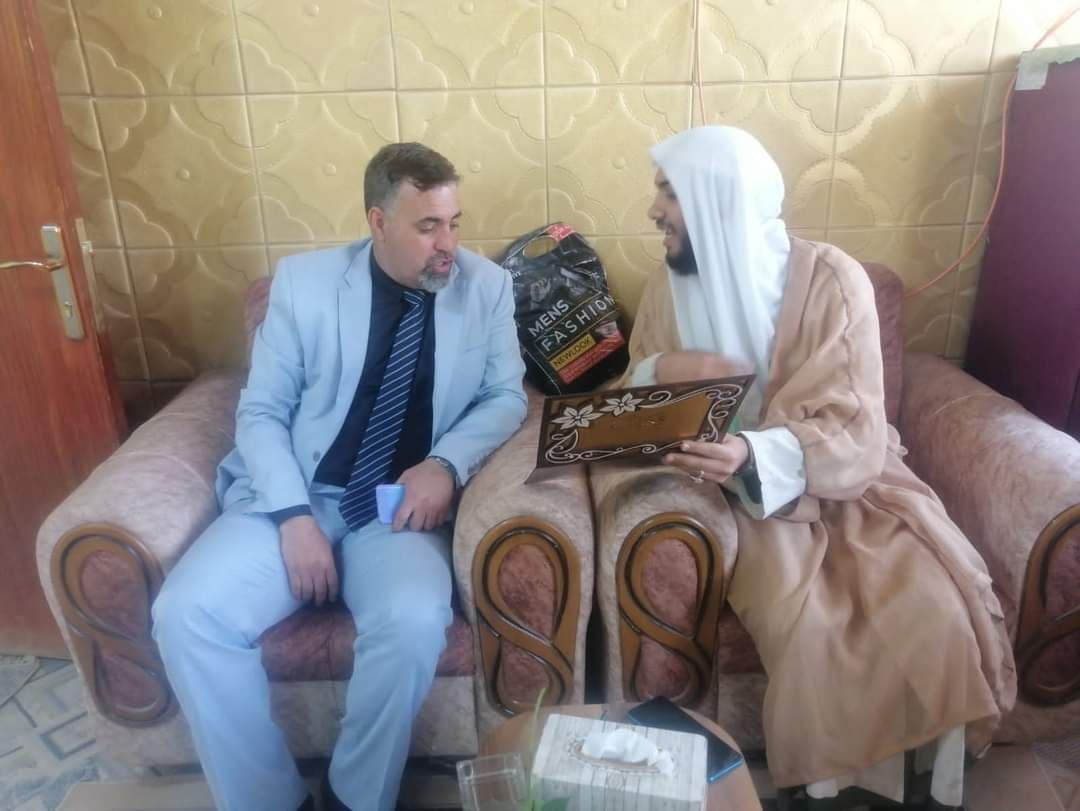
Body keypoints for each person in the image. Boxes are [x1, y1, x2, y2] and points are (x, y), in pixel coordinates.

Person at [622, 126, 1015, 808]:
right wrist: (667, 371)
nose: (654, 210)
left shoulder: (832, 278)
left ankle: (921, 782)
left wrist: (757, 448)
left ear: (719, 200)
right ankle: (831, 790)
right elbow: (636, 400)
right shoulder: (666, 289)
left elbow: (858, 420)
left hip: (854, 479)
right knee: (806, 623)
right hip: (739, 496)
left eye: (669, 193)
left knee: (935, 604)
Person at [151, 143, 527, 811]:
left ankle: (356, 796)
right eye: (427, 227)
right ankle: (269, 801)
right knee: (186, 615)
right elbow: (262, 411)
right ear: (378, 222)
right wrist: (293, 516)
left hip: (397, 506)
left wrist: (444, 463)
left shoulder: (486, 287)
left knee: (413, 621)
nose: (448, 245)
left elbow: (505, 396)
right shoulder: (305, 286)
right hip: (300, 491)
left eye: (453, 223)